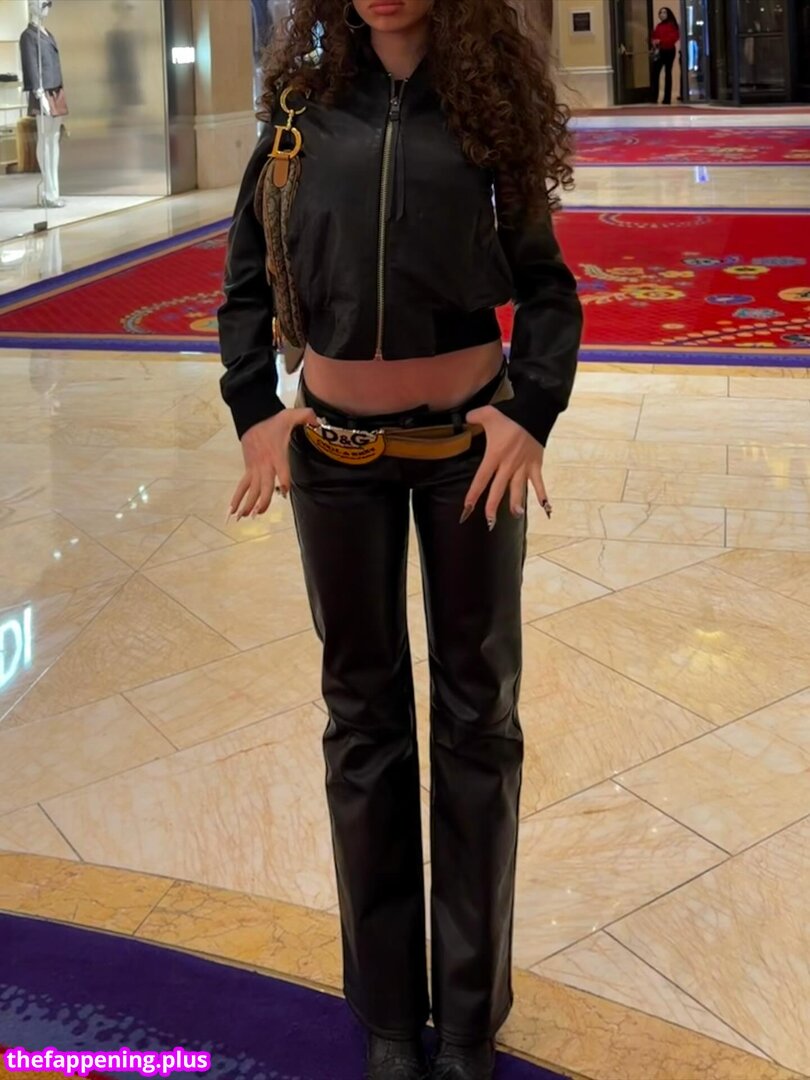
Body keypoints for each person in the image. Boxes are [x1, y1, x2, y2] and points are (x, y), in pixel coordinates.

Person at [218, 1, 582, 1077]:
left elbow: (547, 286)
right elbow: (246, 276)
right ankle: (386, 1014)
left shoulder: (485, 108)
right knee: (362, 721)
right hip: (334, 458)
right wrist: (253, 409)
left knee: (478, 718)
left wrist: (532, 409)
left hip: (468, 456)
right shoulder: (300, 110)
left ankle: (468, 1018)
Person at [651, 6, 680, 105]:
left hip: (669, 51)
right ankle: (653, 97)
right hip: (659, 51)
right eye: (660, 12)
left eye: (664, 12)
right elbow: (654, 36)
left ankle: (667, 98)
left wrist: (661, 41)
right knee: (655, 73)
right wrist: (653, 41)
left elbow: (674, 38)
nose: (661, 14)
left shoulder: (672, 25)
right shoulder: (658, 26)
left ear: (668, 14)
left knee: (668, 73)